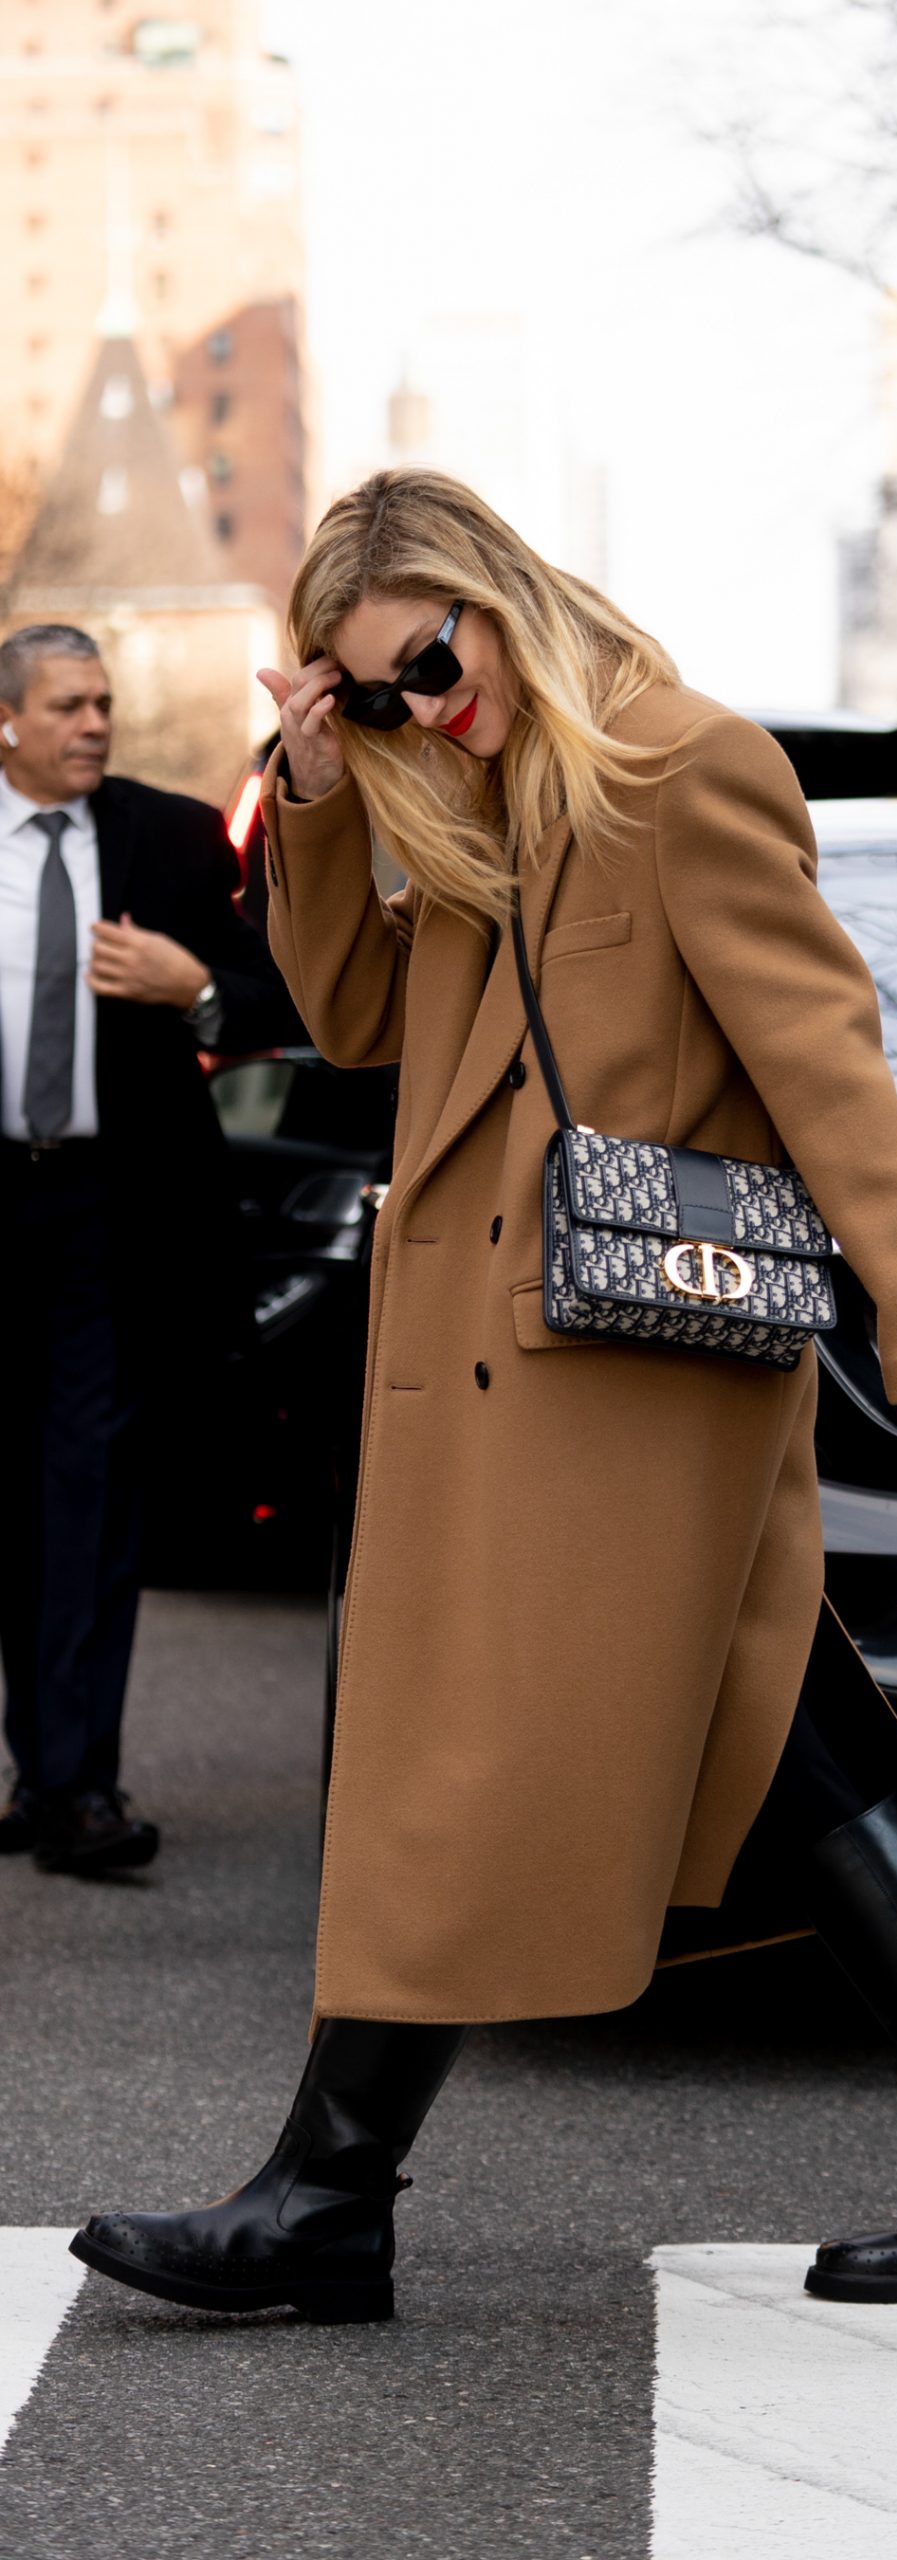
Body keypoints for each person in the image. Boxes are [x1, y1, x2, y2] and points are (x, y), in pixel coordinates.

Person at [69, 468, 897, 2324]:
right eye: (373, 690)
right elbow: (356, 1021)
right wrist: (316, 794)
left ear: (499, 596)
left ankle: (327, 2195)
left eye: (430, 659)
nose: (422, 705)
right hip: (514, 1369)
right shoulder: (474, 798)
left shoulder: (673, 766)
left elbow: (826, 1069)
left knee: (466, 1760)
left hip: (632, 1365)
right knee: (751, 1714)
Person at [0, 623, 301, 1876]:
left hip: (106, 1216)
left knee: (88, 1489)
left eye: (105, 703)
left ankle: (79, 1785)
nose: (94, 725)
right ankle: (43, 1765)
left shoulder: (170, 838)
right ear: (6, 722)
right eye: (68, 705)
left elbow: (291, 1000)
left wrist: (193, 988)